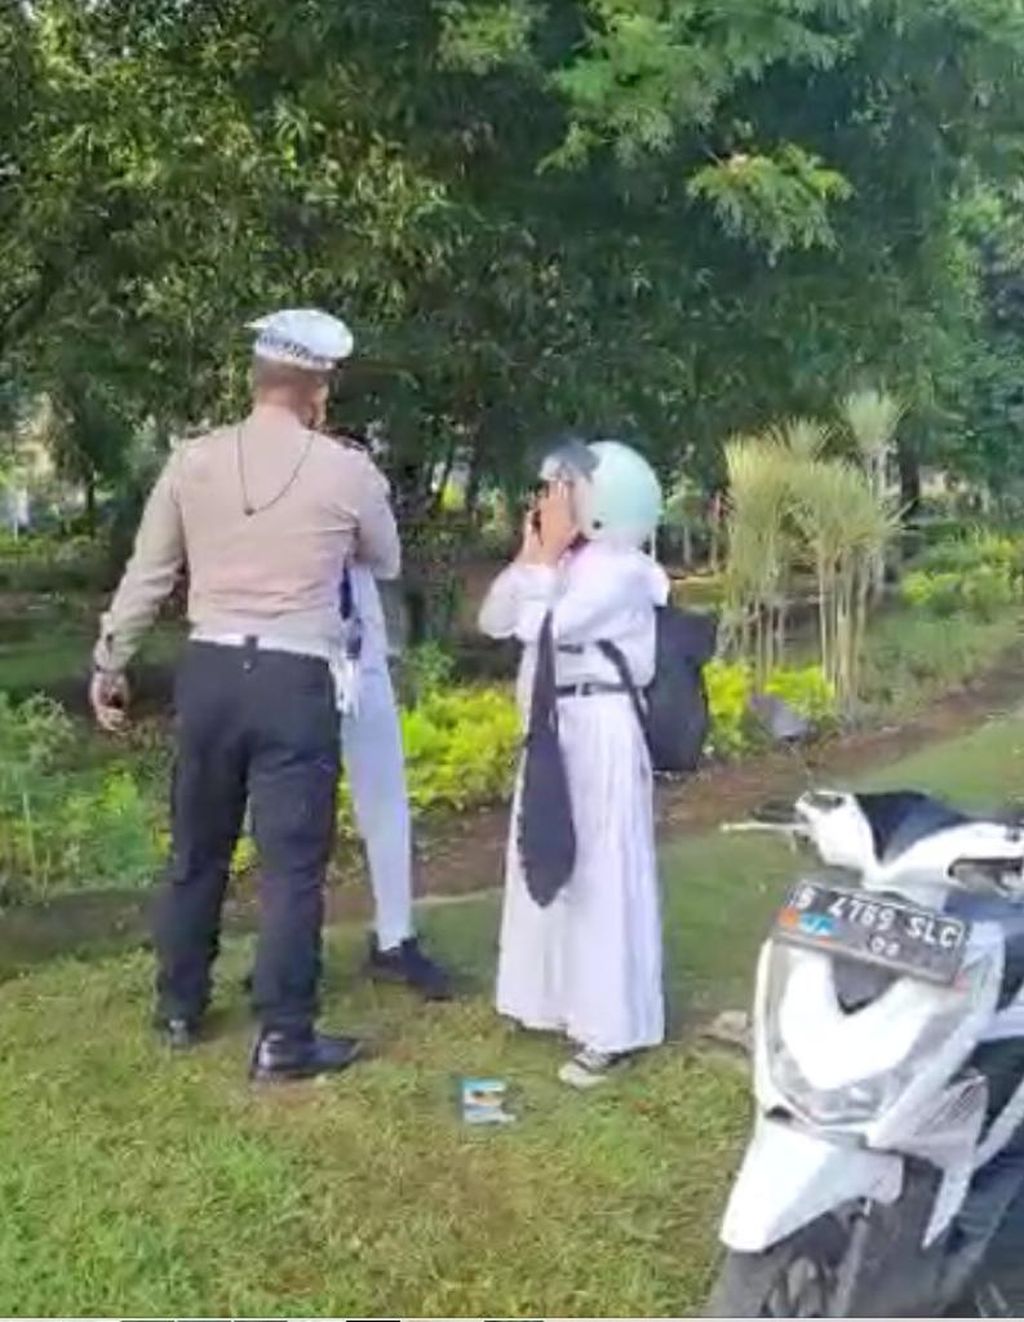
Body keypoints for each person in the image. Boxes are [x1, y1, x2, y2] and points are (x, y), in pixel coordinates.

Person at [90, 307, 401, 1082]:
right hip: (296, 678)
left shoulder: (191, 460)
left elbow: (149, 574)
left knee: (198, 850)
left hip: (212, 671)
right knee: (292, 865)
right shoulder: (348, 470)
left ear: (258, 380)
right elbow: (385, 559)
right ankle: (286, 1036)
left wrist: (110, 661)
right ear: (317, 390)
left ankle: (178, 1006)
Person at [478, 439, 668, 1088]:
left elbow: (545, 626)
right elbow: (496, 619)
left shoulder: (620, 569)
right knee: (548, 854)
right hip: (555, 728)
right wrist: (534, 557)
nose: (548, 501)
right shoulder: (565, 560)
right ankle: (550, 1000)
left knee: (601, 871)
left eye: (562, 490)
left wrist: (543, 565)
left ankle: (609, 1026)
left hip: (602, 726)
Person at [338, 552, 453, 999]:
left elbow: (386, 556)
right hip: (297, 655)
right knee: (294, 807)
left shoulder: (357, 483)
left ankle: (393, 937)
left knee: (386, 801)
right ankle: (288, 949)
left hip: (361, 654)